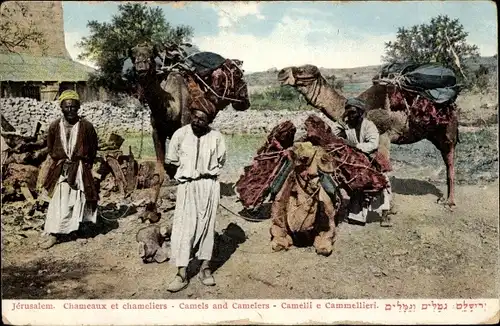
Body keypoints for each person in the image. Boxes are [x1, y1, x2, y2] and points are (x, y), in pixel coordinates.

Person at [165, 101, 227, 293]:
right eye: (195, 117)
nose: (197, 122)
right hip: (187, 186)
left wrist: (205, 174)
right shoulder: (180, 134)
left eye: (202, 119)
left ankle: (205, 268)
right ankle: (181, 273)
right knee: (185, 229)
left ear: (209, 121)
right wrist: (184, 175)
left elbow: (221, 161)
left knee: (207, 227)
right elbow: (171, 161)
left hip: (209, 186)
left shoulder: (216, 137)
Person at [39, 90, 99, 249]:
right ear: (61, 108)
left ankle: (74, 231)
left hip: (79, 168)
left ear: (78, 107)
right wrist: (62, 161)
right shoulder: (54, 126)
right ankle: (55, 233)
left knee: (77, 200)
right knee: (59, 200)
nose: (70, 110)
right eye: (67, 107)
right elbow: (51, 148)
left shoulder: (86, 126)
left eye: (73, 107)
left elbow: (93, 147)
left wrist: (85, 164)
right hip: (61, 167)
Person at [332, 97, 393, 227]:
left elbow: (372, 144)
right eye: (348, 112)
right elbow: (334, 136)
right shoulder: (345, 125)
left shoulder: (369, 126)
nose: (350, 115)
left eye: (353, 112)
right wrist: (340, 127)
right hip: (351, 159)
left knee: (381, 180)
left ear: (360, 112)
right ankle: (352, 211)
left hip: (369, 157)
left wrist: (354, 145)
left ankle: (385, 214)